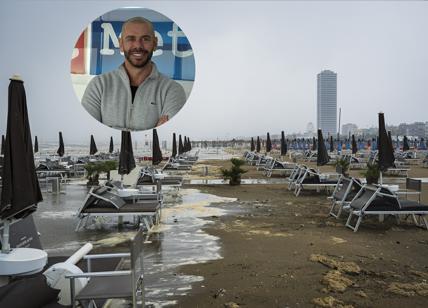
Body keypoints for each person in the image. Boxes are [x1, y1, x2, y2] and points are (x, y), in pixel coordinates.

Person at [82, 17, 187, 130]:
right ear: (121, 44)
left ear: (155, 44)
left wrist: (110, 129)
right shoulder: (98, 86)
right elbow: (88, 131)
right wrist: (152, 132)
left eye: (145, 39)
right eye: (130, 39)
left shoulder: (172, 90)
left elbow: (168, 138)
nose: (138, 46)